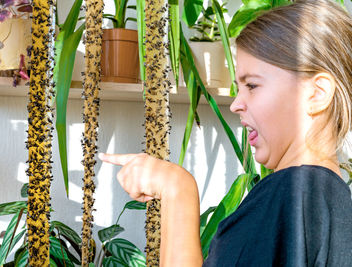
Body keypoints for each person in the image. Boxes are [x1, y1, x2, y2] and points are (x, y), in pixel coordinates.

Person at [99, 0, 352, 266]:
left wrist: (176, 189)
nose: (236, 104)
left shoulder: (288, 193)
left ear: (316, 93)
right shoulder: (333, 201)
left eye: (252, 85)